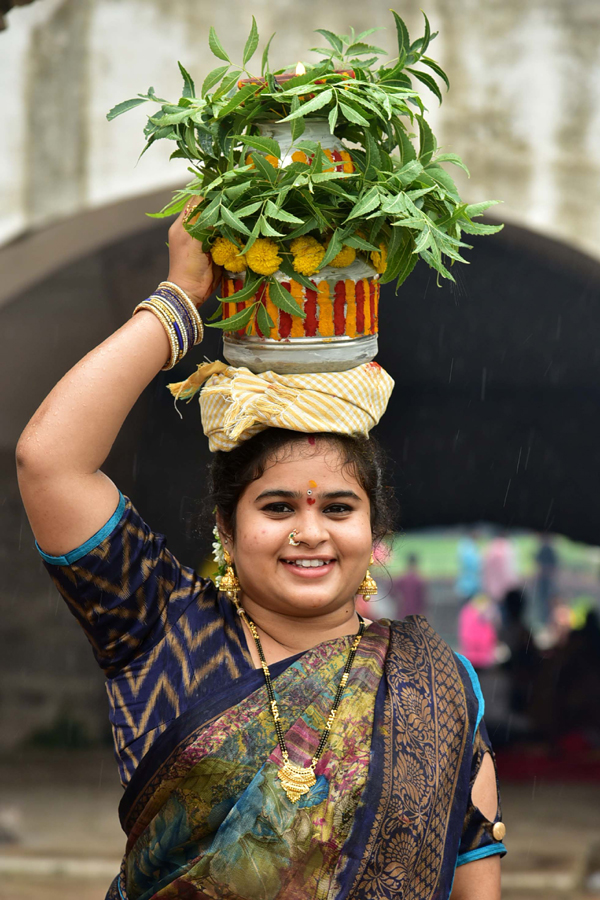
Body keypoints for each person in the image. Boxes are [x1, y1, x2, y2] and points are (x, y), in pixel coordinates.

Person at [16, 207, 505, 900]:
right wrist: (177, 304)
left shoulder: (435, 687)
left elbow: (473, 885)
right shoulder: (163, 631)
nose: (310, 531)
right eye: (278, 507)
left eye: (338, 508)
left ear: (375, 535)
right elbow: (49, 463)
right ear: (227, 527)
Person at [482, 529, 518, 605]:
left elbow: (485, 569)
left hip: (492, 588)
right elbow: (509, 570)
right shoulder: (506, 547)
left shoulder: (490, 547)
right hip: (506, 589)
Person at [533, 533, 559, 627]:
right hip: (542, 581)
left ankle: (547, 622)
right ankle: (542, 621)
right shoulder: (544, 549)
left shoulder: (548, 550)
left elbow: (551, 567)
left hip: (548, 582)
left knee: (548, 602)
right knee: (541, 602)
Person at [393, 552, 428, 618]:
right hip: (415, 616)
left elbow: (393, 593)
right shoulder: (419, 580)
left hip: (403, 614)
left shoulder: (401, 579)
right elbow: (423, 601)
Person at [455, 531, 482, 602]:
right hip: (469, 586)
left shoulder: (465, 544)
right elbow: (474, 565)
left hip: (466, 585)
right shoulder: (468, 546)